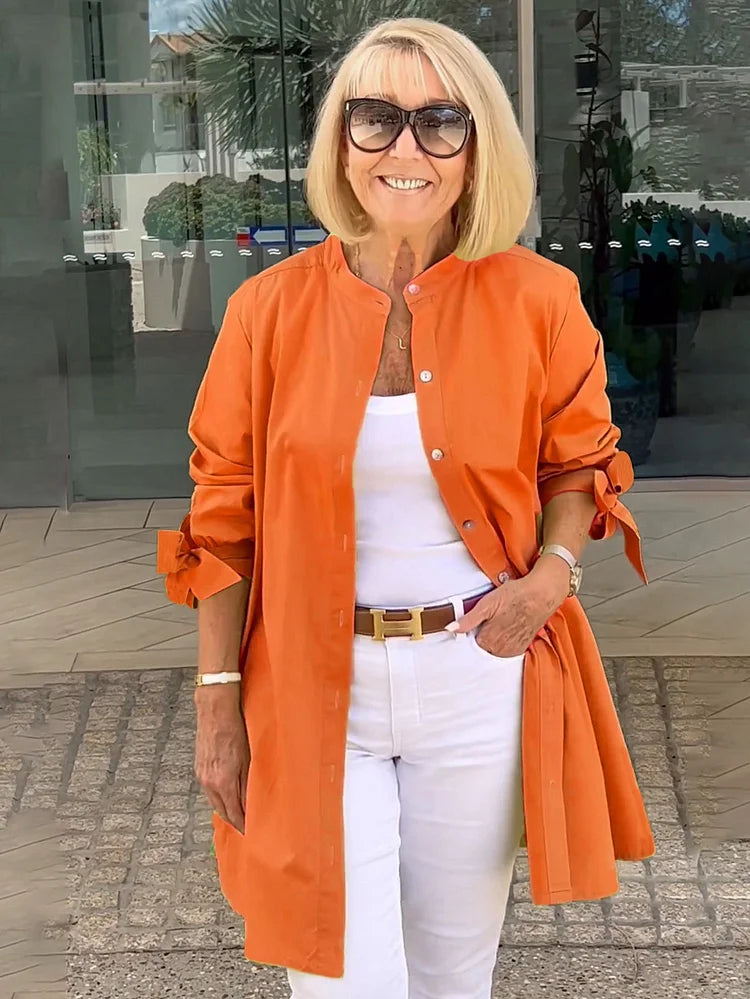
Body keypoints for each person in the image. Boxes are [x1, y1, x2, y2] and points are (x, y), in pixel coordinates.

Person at [157, 16, 654, 999]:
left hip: (474, 677)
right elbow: (222, 519)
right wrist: (218, 699)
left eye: (440, 122)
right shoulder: (266, 311)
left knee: (452, 975)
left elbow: (580, 466)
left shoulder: (541, 299)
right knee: (341, 978)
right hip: (313, 686)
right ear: (341, 140)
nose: (405, 148)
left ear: (478, 146)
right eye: (376, 117)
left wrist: (551, 579)